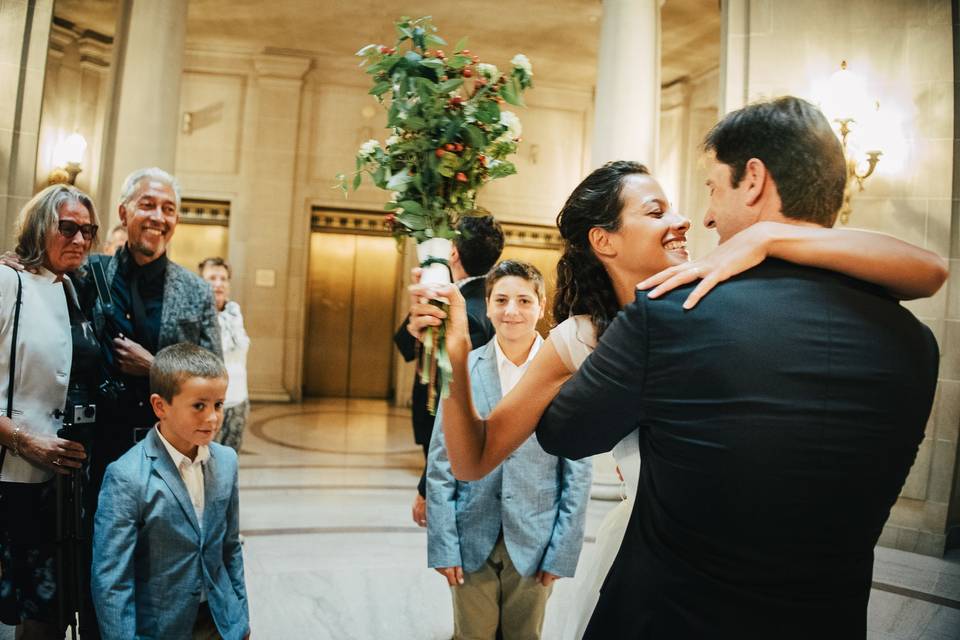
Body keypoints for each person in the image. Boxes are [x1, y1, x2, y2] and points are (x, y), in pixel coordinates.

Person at [408, 118, 947, 635]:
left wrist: (769, 240)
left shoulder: (710, 297)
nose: (687, 219)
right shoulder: (580, 338)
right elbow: (475, 456)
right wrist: (456, 356)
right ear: (605, 241)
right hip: (656, 559)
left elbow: (928, 268)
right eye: (656, 210)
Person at [426, 261, 592, 640]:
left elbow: (577, 471)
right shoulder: (463, 367)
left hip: (536, 538)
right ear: (486, 306)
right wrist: (444, 545)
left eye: (523, 300)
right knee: (471, 634)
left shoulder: (564, 373)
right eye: (500, 300)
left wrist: (560, 551)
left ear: (541, 305)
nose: (511, 311)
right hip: (471, 537)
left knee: (524, 635)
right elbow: (440, 463)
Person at [92, 343, 249, 640]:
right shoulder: (127, 476)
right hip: (161, 627)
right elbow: (112, 579)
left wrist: (240, 617)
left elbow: (230, 548)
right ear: (160, 406)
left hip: (220, 620)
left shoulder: (226, 461)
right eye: (199, 406)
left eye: (218, 404)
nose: (213, 418)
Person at [0, 184, 100, 639]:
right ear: (41, 227)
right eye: (68, 228)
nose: (80, 239)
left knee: (48, 609)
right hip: (10, 476)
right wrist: (21, 439)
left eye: (88, 231)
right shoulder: (7, 281)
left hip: (59, 483)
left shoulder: (74, 288)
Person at [393, 214, 504, 527]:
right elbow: (403, 343)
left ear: (452, 252)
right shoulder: (472, 300)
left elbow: (452, 405)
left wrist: (426, 485)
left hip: (454, 450)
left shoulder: (465, 315)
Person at [200, 257, 250, 452]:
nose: (218, 284)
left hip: (239, 400)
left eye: (223, 278)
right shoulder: (197, 315)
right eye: (212, 278)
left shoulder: (235, 312)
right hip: (211, 403)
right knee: (206, 461)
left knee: (230, 460)